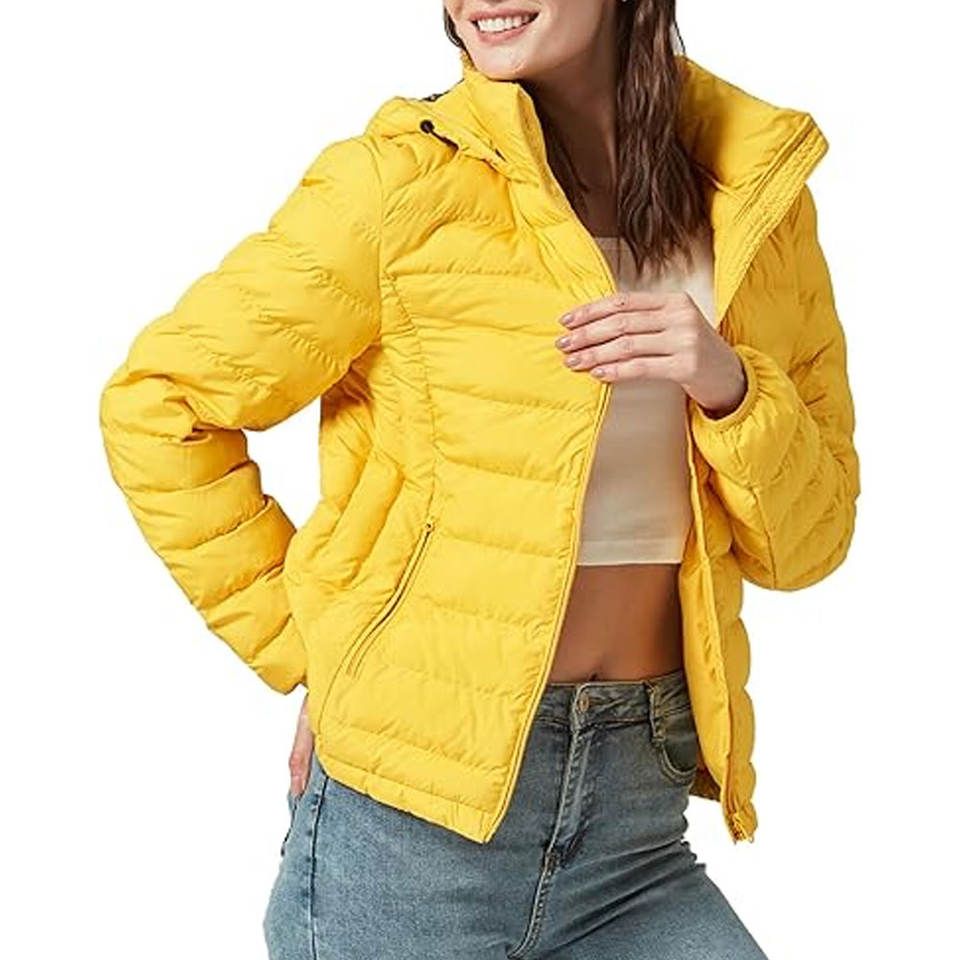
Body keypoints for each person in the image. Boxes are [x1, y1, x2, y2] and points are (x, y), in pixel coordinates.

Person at [98, 1, 859, 957]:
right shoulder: (400, 183)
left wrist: (730, 388)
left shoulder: (754, 197)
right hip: (409, 838)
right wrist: (325, 652)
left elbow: (810, 546)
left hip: (637, 825)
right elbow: (159, 406)